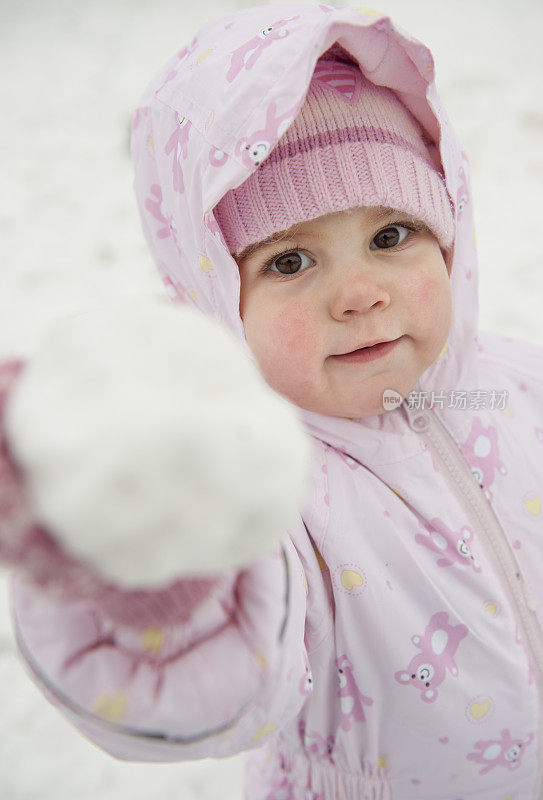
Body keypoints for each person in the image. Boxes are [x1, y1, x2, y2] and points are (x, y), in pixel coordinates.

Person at [1, 3, 543, 798]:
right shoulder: (262, 489)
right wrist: (153, 563)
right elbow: (225, 675)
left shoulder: (515, 381)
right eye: (290, 261)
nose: (359, 294)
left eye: (390, 236)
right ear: (220, 298)